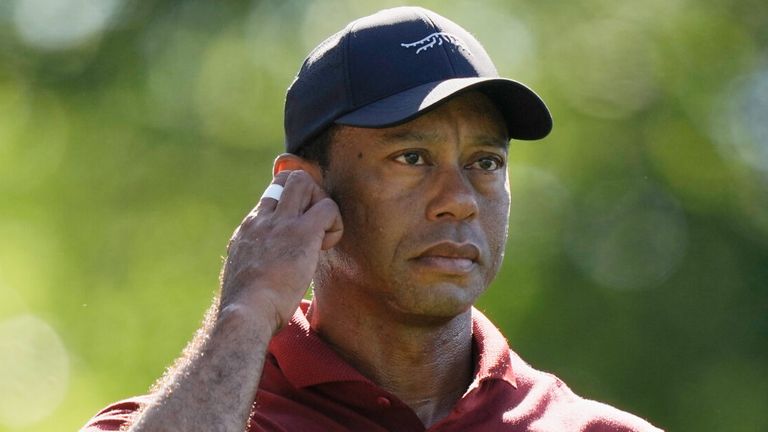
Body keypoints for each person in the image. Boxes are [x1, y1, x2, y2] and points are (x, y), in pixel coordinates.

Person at [82, 6, 662, 432]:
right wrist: (245, 314)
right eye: (412, 158)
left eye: (485, 162)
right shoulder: (199, 413)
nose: (458, 199)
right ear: (302, 187)